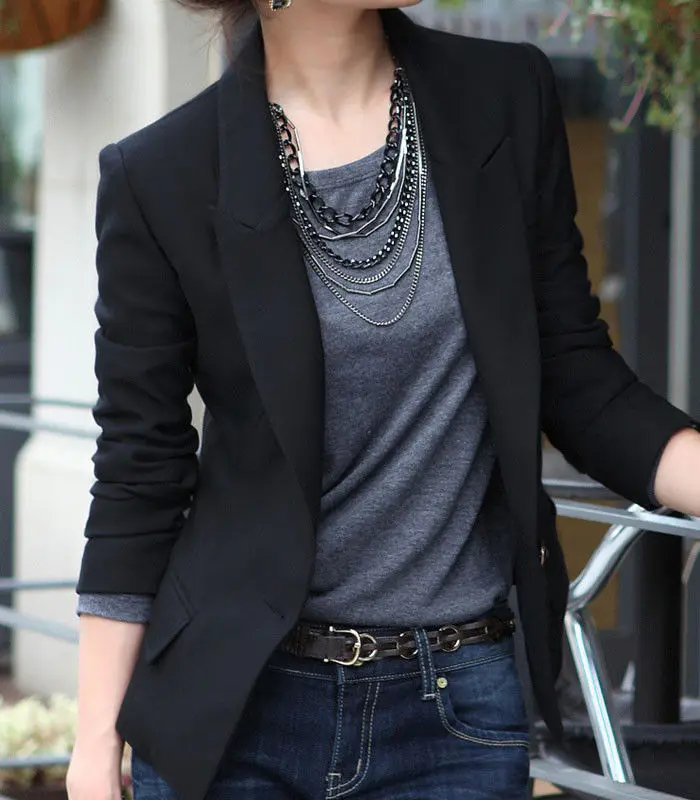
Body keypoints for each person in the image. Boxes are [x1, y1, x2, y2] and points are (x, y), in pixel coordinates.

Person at [66, 1, 700, 798]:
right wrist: (95, 744)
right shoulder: (163, 175)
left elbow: (581, 383)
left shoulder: (503, 98)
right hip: (237, 716)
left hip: (454, 712)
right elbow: (139, 473)